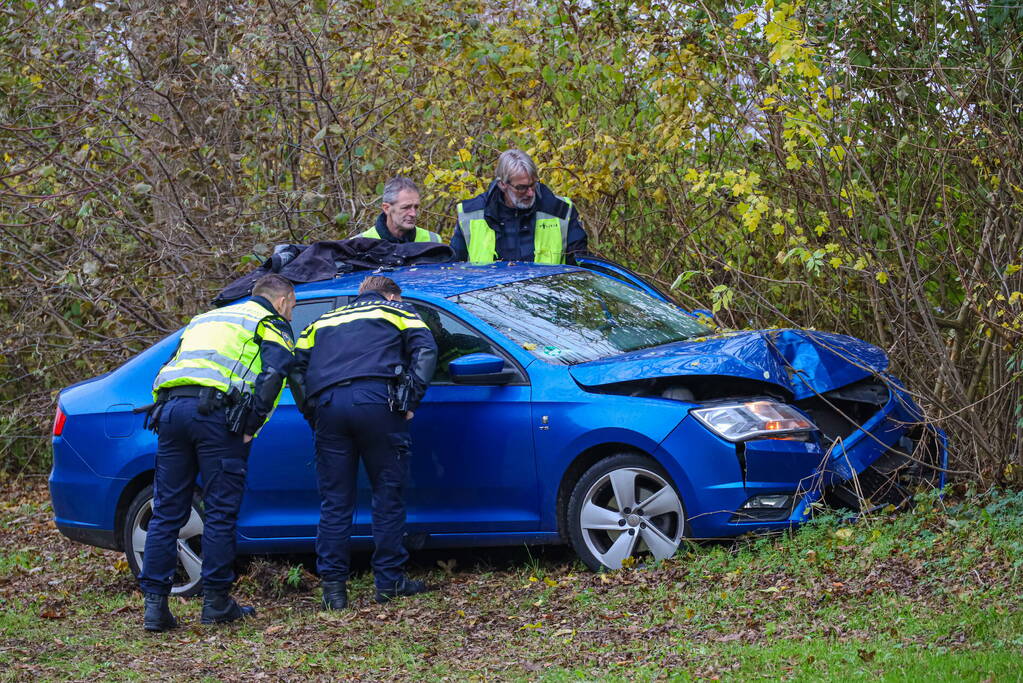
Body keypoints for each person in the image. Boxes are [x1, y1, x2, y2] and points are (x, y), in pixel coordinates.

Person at [139, 274, 300, 632]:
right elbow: (277, 371)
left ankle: (155, 608)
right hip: (216, 419)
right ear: (283, 300)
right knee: (220, 511)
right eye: (292, 307)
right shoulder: (268, 321)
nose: (291, 314)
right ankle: (216, 603)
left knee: (166, 510)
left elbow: (168, 367)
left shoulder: (204, 319)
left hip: (171, 411)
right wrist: (251, 424)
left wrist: (162, 409)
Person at [291, 275, 437, 609]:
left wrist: (312, 411)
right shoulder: (398, 311)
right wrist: (410, 400)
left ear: (360, 294)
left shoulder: (321, 321)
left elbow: (295, 368)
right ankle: (389, 581)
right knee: (387, 495)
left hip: (328, 406)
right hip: (377, 402)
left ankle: (333, 591)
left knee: (335, 502)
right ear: (391, 295)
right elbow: (426, 350)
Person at [451, 149, 587, 264]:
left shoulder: (560, 210)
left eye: (533, 184)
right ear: (502, 184)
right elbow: (454, 269)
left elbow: (581, 265)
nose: (530, 193)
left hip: (548, 288)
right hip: (488, 288)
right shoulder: (470, 214)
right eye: (521, 188)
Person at [357, 176, 442, 244]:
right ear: (386, 208)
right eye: (406, 207)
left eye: (416, 207)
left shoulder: (433, 240)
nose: (413, 214)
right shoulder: (359, 244)